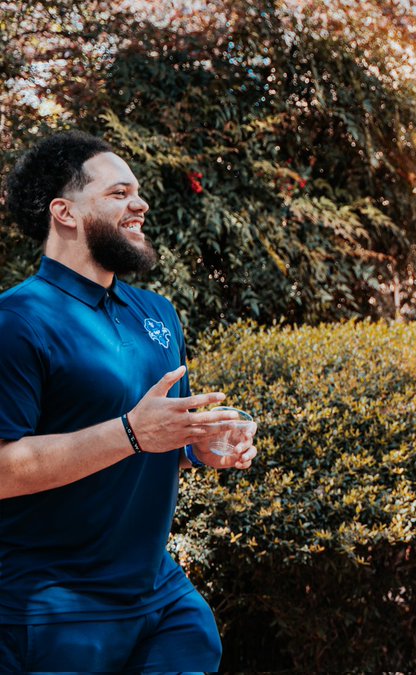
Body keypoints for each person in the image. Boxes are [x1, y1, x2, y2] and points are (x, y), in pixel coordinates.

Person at [0, 132, 258, 672]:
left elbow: (161, 434)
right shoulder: (15, 321)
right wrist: (133, 433)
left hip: (159, 594)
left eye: (137, 192)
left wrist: (200, 450)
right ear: (65, 213)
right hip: (54, 607)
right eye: (118, 193)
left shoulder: (157, 313)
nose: (139, 203)